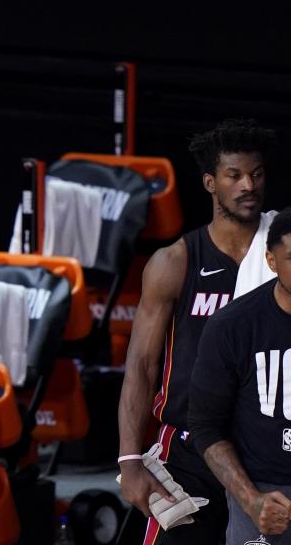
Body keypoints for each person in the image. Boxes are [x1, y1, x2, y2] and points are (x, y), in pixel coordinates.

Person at [117, 118, 277, 543]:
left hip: (264, 451)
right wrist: (130, 460)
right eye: (235, 175)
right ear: (210, 183)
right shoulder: (175, 262)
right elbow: (142, 365)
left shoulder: (282, 254)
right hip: (188, 452)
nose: (248, 185)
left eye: (256, 174)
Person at [189, 208, 291, 545]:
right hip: (265, 490)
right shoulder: (232, 326)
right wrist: (251, 499)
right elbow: (205, 427)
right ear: (271, 261)